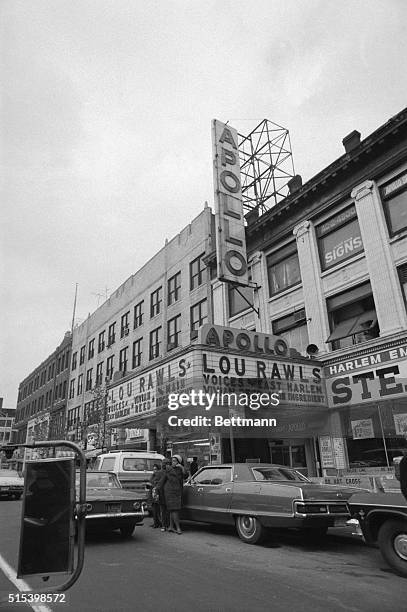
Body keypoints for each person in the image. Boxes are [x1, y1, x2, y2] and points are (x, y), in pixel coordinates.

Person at [159, 454, 184, 534]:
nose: (172, 462)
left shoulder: (178, 470)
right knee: (174, 509)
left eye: (174, 461)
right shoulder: (169, 469)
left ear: (178, 462)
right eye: (171, 461)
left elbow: (184, 475)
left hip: (174, 491)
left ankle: (171, 526)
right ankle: (178, 528)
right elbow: (162, 480)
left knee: (172, 510)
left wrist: (181, 467)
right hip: (171, 492)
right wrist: (157, 488)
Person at [149, 463, 162, 528]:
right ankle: (155, 522)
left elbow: (158, 484)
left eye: (156, 469)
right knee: (154, 509)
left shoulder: (159, 476)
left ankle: (159, 523)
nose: (154, 471)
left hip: (157, 494)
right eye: (153, 469)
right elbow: (151, 481)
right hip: (153, 493)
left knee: (158, 509)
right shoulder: (153, 475)